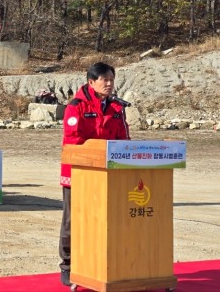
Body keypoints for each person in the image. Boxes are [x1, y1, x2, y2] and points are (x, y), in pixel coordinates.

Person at [58, 62, 130, 286]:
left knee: (105, 220)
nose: (109, 84)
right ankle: (68, 266)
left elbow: (124, 140)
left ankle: (99, 265)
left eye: (111, 80)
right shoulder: (76, 106)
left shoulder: (117, 107)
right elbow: (73, 141)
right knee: (73, 220)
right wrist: (100, 152)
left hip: (108, 175)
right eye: (104, 80)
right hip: (79, 172)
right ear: (91, 82)